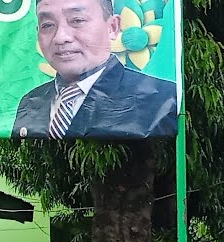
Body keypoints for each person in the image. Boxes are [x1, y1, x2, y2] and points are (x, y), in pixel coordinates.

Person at [13, 0, 177, 140]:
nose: (60, 37)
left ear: (112, 27)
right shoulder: (30, 102)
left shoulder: (163, 99)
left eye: (77, 20)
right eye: (47, 25)